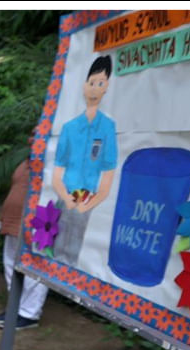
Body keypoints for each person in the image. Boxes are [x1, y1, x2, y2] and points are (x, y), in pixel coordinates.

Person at [52, 55, 117, 267]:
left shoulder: (107, 127)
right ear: (84, 86)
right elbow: (57, 170)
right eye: (91, 83)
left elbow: (108, 174)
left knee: (74, 251)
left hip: (87, 198)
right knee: (57, 244)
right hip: (65, 196)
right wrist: (65, 196)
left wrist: (91, 202)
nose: (95, 89)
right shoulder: (69, 127)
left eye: (101, 83)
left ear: (107, 87)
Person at [0, 160, 49, 330]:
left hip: (36, 225)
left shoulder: (51, 160)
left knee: (34, 270)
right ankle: (16, 308)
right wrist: (0, 220)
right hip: (12, 224)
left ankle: (29, 314)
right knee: (11, 267)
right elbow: (15, 191)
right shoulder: (25, 162)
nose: (34, 135)